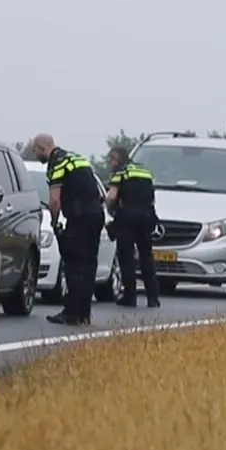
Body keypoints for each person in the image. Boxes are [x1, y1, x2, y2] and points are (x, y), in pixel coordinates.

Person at [30, 133, 104, 325]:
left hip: (79, 217)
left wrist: (54, 221)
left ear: (42, 148)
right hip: (96, 214)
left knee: (73, 264)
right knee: (89, 265)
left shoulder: (57, 163)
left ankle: (71, 313)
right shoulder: (76, 158)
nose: (36, 155)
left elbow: (54, 200)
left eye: (35, 151)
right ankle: (84, 313)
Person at [105, 146, 161, 308]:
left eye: (112, 159)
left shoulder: (120, 172)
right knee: (146, 257)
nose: (111, 163)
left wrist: (111, 210)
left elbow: (112, 196)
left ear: (119, 158)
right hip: (146, 216)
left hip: (127, 217)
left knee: (126, 256)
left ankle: (130, 296)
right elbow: (152, 197)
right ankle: (153, 297)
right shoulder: (145, 171)